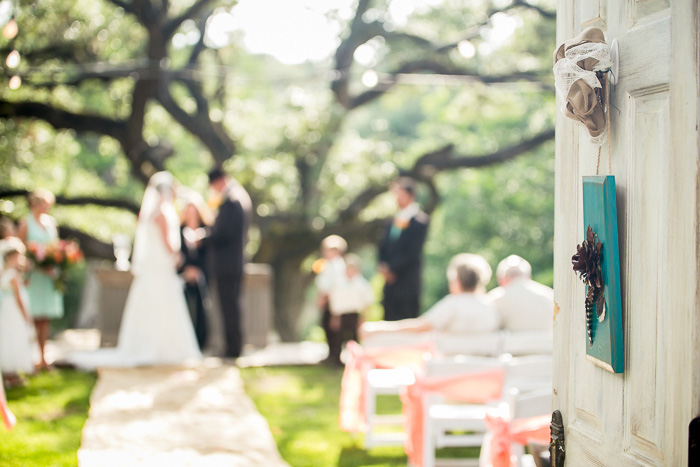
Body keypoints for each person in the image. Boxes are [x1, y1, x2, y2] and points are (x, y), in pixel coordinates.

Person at [68, 171, 201, 368]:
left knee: (151, 304)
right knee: (163, 304)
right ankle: (164, 348)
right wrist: (179, 256)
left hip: (153, 267)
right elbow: (168, 245)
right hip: (161, 268)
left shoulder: (150, 213)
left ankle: (148, 346)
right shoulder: (162, 213)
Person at [361, 253, 499, 338]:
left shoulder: (453, 304)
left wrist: (378, 328)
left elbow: (419, 327)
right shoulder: (491, 306)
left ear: (457, 281)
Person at [206, 167, 252, 359]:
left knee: (229, 307)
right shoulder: (238, 196)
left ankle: (233, 349)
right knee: (231, 306)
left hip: (228, 263)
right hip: (232, 263)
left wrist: (204, 237)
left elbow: (224, 233)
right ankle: (232, 346)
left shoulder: (232, 200)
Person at [18, 188, 62, 370]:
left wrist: (56, 261)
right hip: (33, 275)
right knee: (32, 316)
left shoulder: (51, 223)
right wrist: (26, 271)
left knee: (45, 317)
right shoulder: (25, 223)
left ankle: (44, 357)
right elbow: (19, 250)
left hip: (48, 276)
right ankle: (32, 357)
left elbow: (56, 248)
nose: (47, 207)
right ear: (35, 204)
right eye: (44, 203)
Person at [377, 177, 429, 321]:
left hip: (407, 281)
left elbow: (412, 251)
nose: (396, 198)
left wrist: (393, 268)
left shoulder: (420, 221)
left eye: (399, 194)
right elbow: (383, 246)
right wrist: (383, 266)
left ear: (410, 195)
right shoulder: (391, 221)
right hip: (390, 284)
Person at [0, 238, 37, 387]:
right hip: (14, 309)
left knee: (7, 336)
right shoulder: (13, 275)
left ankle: (10, 375)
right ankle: (11, 374)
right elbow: (18, 298)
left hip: (5, 309)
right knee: (15, 335)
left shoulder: (4, 273)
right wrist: (26, 316)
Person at [179, 192, 213, 350]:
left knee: (202, 307)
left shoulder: (207, 231)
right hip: (183, 275)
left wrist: (198, 270)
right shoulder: (178, 231)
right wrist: (186, 268)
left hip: (202, 275)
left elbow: (210, 256)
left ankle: (201, 341)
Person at [326, 253, 375, 366]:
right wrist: (335, 317)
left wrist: (363, 318)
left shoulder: (362, 284)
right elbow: (335, 302)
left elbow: (367, 302)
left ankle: (356, 361)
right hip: (342, 314)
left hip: (354, 314)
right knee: (338, 339)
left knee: (354, 339)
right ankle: (336, 362)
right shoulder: (338, 283)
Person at [487, 255, 554, 332]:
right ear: (529, 276)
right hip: (547, 343)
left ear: (502, 279)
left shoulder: (495, 298)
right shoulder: (550, 295)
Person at [315, 235, 348, 365]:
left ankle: (335, 357)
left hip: (334, 302)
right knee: (327, 326)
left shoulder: (337, 264)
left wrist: (324, 297)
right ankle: (331, 354)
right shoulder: (328, 264)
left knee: (334, 329)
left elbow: (335, 285)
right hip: (329, 300)